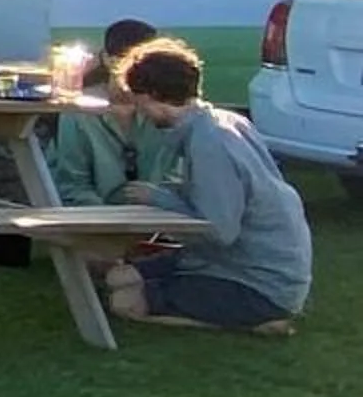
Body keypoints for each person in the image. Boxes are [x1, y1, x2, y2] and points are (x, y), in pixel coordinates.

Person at [97, 38, 311, 337]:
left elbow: (220, 231)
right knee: (118, 277)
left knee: (123, 302)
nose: (138, 109)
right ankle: (235, 310)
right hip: (230, 263)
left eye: (139, 99)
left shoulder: (211, 143)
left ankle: (255, 322)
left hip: (255, 281)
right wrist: (175, 192)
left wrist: (160, 199)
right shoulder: (225, 121)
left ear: (155, 95)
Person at [47, 18, 186, 204]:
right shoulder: (78, 111)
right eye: (126, 61)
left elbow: (178, 178)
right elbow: (72, 185)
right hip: (94, 221)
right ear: (106, 59)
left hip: (159, 220)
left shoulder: (166, 111)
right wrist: (112, 223)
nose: (137, 72)